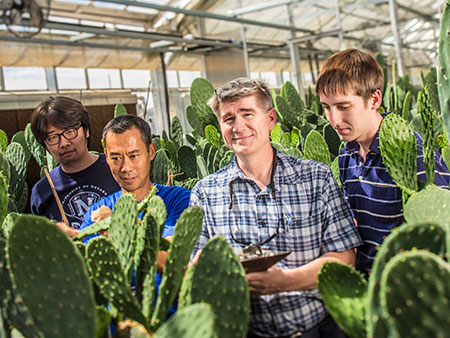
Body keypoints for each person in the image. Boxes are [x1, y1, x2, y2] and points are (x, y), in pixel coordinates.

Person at [189, 78, 363, 337]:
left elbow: (344, 258)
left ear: (271, 119)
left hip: (314, 328)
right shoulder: (205, 193)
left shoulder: (317, 178)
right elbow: (197, 267)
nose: (238, 126)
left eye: (247, 114)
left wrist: (285, 282)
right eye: (228, 119)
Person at [315, 48, 450, 276]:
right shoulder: (347, 155)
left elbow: (441, 225)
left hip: (405, 286)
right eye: (326, 107)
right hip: (366, 280)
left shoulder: (414, 154)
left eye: (343, 106)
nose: (334, 120)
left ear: (374, 99)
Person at [79, 113, 190, 261]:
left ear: (151, 151)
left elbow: (176, 253)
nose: (126, 167)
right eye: (116, 158)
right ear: (106, 157)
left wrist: (122, 224)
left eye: (134, 156)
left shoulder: (178, 199)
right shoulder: (96, 212)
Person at [30, 96, 120, 237]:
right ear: (45, 145)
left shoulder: (118, 167)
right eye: (52, 137)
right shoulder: (43, 191)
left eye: (70, 132)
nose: (64, 143)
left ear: (86, 130)